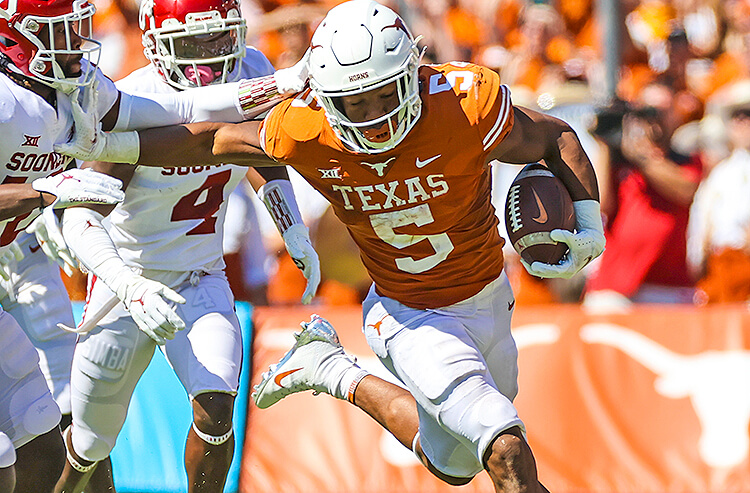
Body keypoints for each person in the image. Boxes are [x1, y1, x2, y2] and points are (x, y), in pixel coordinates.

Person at [57, 1, 605, 491]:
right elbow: (214, 138)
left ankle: (331, 371)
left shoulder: (464, 103)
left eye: (382, 94)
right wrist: (109, 142)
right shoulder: (308, 124)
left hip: (488, 293)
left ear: (412, 74)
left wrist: (587, 219)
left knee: (455, 465)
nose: (370, 115)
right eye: (353, 100)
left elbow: (556, 135)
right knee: (504, 447)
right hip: (407, 312)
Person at [0, 0, 308, 490]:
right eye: (192, 44)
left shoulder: (89, 86)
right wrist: (50, 200)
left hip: (199, 274)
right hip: (124, 280)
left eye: (219, 39)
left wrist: (292, 227)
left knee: (209, 411)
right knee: (74, 447)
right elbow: (82, 209)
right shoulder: (30, 100)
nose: (210, 58)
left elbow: (213, 128)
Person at [584, 82, 703, 308]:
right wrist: (605, 146)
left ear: (675, 114)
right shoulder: (620, 162)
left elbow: (686, 190)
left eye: (662, 111)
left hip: (667, 285)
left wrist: (642, 157)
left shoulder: (687, 160)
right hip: (615, 284)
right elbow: (598, 204)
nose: (654, 119)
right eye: (647, 110)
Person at [687, 94, 750, 303]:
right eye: (737, 116)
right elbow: (701, 222)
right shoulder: (720, 174)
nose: (743, 122)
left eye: (748, 115)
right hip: (721, 269)